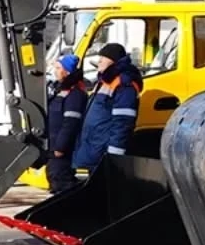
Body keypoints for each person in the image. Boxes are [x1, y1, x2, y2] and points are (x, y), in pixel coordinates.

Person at [70, 42, 142, 179]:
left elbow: (123, 124)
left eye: (103, 58)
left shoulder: (124, 85)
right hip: (92, 149)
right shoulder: (103, 82)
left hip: (102, 153)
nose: (99, 61)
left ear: (113, 61)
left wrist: (113, 157)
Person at [45, 53, 88, 194]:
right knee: (54, 177)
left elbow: (70, 123)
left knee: (61, 181)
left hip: (61, 149)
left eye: (58, 68)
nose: (55, 71)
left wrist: (60, 147)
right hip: (54, 146)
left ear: (67, 72)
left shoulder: (75, 94)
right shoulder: (60, 90)